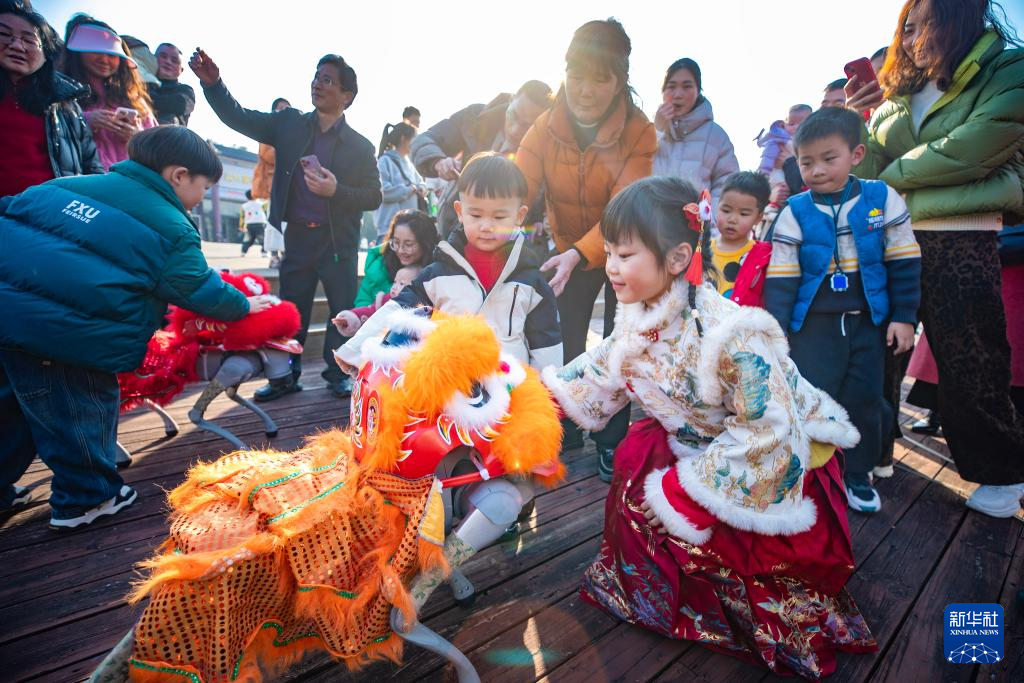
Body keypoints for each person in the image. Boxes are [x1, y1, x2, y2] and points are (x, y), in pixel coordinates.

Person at [543, 175, 877, 678]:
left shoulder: (732, 333)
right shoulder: (639, 314)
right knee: (638, 477)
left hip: (771, 459)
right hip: (702, 440)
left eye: (624, 254)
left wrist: (684, 495)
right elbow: (600, 369)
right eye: (609, 252)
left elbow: (770, 431)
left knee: (756, 582)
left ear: (678, 258)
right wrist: (530, 404)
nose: (610, 266)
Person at [0, 125, 270, 526]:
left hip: (9, 322)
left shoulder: (60, 187)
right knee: (80, 414)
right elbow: (199, 289)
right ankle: (87, 497)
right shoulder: (171, 226)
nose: (202, 197)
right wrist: (244, 303)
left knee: (16, 410)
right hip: (68, 337)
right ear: (179, 175)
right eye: (204, 187)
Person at [847, 0, 1024, 518]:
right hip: (892, 237)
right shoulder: (896, 92)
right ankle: (871, 452)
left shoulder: (1009, 68)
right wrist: (856, 122)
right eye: (908, 27)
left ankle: (1001, 472)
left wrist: (892, 178)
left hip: (962, 235)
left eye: (928, 24)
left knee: (971, 355)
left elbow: (973, 149)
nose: (913, 39)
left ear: (963, 19)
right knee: (875, 352)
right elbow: (866, 167)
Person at [190, 49, 382, 401]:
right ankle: (285, 376)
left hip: (338, 242)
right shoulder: (290, 123)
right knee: (292, 311)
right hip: (297, 236)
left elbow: (373, 196)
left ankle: (338, 373)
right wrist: (214, 85)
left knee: (342, 309)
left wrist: (336, 190)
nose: (317, 84)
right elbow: (239, 117)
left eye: (327, 80)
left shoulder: (360, 146)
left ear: (347, 96)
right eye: (316, 76)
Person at [515, 18, 656, 481]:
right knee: (564, 338)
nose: (585, 89)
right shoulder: (545, 125)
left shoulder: (640, 132)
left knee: (618, 340)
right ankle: (568, 425)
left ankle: (611, 440)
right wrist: (483, 227)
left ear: (620, 80)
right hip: (565, 249)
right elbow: (516, 187)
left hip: (624, 247)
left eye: (600, 78)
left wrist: (579, 253)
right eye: (577, 75)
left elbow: (621, 208)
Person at [764, 107, 922, 513]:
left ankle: (857, 473)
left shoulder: (881, 199)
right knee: (810, 397)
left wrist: (904, 316)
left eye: (828, 158)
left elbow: (903, 261)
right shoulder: (793, 212)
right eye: (806, 162)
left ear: (856, 154)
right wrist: (776, 332)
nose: (816, 170)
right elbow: (782, 278)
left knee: (864, 400)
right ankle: (804, 471)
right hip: (811, 328)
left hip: (869, 324)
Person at [336, 152, 562, 373]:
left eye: (499, 217)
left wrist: (549, 392)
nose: (486, 226)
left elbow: (545, 342)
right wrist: (354, 352)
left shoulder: (531, 281)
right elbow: (396, 310)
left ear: (519, 216)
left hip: (511, 388)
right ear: (460, 211)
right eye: (476, 215)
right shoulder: (437, 275)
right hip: (449, 386)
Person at [411, 79, 553, 237]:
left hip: (506, 240)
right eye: (513, 115)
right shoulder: (475, 119)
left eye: (527, 126)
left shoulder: (551, 152)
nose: (514, 130)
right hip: (452, 226)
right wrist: (437, 161)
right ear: (511, 100)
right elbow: (425, 140)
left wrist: (539, 218)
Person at [0, 1, 101, 198]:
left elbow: (91, 166)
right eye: (4, 34)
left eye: (29, 40)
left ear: (46, 53)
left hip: (51, 210)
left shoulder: (65, 104)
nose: (17, 46)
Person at [62, 17, 156, 170]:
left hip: (128, 178)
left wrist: (138, 136)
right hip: (82, 178)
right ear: (78, 52)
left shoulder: (133, 99)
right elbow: (48, 130)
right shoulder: (61, 91)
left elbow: (158, 145)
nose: (104, 60)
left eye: (112, 54)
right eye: (96, 51)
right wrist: (84, 120)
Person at [651, 57, 739, 207]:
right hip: (651, 218)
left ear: (698, 91)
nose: (678, 94)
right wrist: (656, 131)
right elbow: (635, 173)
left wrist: (706, 218)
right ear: (663, 92)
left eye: (687, 86)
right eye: (671, 86)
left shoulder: (716, 136)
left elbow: (727, 186)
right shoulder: (647, 132)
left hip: (696, 220)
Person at [352, 208, 438, 308]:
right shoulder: (378, 266)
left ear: (425, 244)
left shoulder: (438, 274)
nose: (400, 250)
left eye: (408, 244)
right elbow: (362, 302)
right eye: (396, 242)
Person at [710, 171, 770, 299]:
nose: (732, 219)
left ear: (758, 218)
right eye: (726, 210)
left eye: (743, 214)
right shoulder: (702, 249)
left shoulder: (762, 256)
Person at [252, 97, 291, 268]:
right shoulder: (268, 131)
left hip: (290, 184)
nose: (284, 111)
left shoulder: (294, 131)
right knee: (275, 220)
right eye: (280, 108)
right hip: (274, 183)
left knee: (288, 221)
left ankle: (285, 254)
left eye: (287, 108)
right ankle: (274, 256)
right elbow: (268, 155)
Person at [332, 263, 422, 337]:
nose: (394, 287)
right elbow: (369, 310)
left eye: (401, 283)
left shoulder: (421, 307)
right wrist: (350, 317)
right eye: (395, 282)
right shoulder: (386, 300)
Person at [375, 121, 426, 242]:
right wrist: (410, 190)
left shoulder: (409, 163)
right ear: (403, 139)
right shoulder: (384, 161)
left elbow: (422, 184)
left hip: (411, 229)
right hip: (388, 230)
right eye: (413, 139)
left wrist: (420, 189)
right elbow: (383, 192)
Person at [755, 104, 811, 181]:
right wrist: (764, 172)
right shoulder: (779, 140)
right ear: (784, 125)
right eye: (791, 124)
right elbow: (768, 156)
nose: (796, 127)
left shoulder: (813, 141)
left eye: (802, 124)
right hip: (778, 176)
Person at [147, 42, 195, 125]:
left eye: (174, 61)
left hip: (168, 131)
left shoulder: (186, 90)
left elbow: (181, 105)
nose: (168, 62)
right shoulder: (141, 83)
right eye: (163, 56)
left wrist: (145, 99)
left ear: (181, 70)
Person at [239, 188, 267, 255]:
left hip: (249, 225)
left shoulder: (244, 206)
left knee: (248, 239)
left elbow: (242, 217)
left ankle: (243, 252)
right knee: (263, 239)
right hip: (261, 224)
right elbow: (267, 211)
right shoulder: (262, 204)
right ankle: (264, 252)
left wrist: (241, 226)